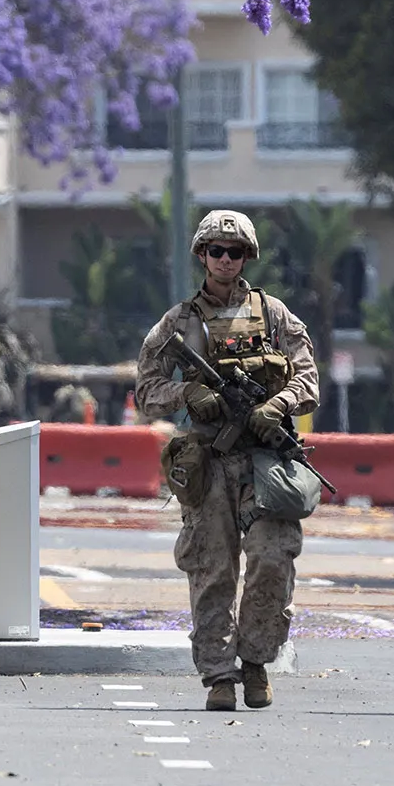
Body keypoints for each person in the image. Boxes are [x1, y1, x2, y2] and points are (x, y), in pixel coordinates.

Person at [135, 210, 321, 712]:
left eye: (234, 252)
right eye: (215, 250)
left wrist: (276, 406)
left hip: (266, 461)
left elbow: (308, 381)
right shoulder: (179, 322)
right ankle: (219, 674)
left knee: (271, 558)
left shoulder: (276, 316)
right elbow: (146, 391)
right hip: (211, 461)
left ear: (246, 258)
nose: (224, 259)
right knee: (212, 568)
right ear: (202, 255)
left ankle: (256, 663)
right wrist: (189, 391)